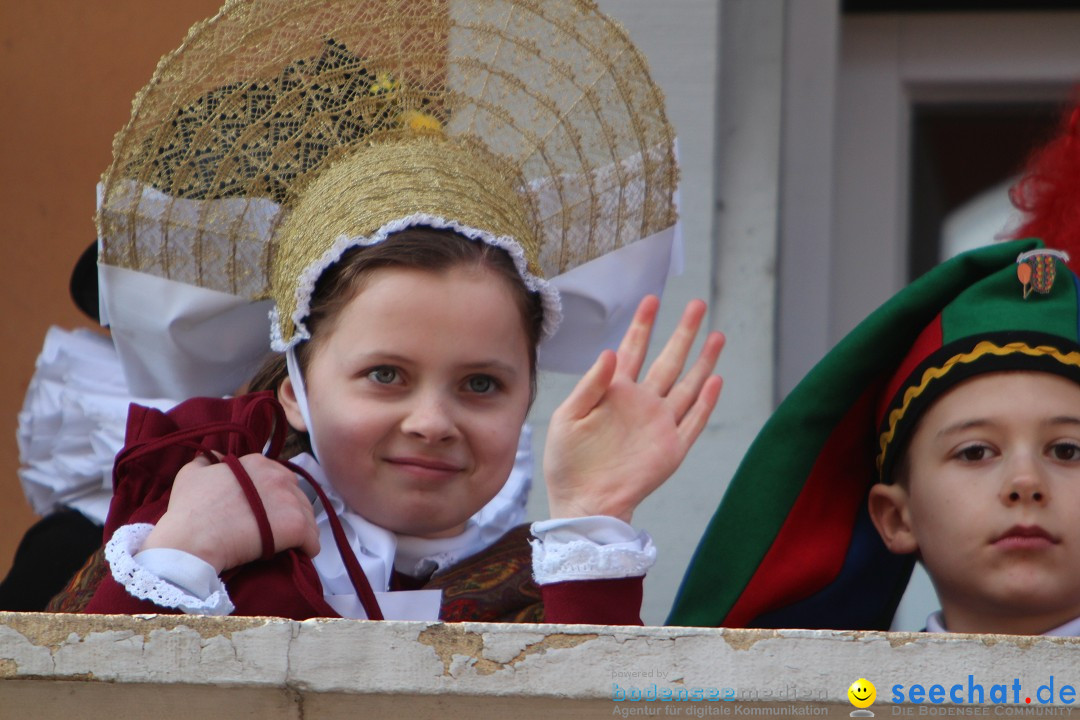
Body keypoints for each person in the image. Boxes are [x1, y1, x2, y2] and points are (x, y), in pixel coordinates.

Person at [62, 0, 723, 624]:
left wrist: (594, 512)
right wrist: (181, 556)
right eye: (385, 374)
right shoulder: (174, 539)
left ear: (526, 401)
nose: (433, 422)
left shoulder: (553, 581)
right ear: (296, 391)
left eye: (482, 384)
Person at [668, 237, 1080, 634]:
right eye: (974, 452)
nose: (1026, 482)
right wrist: (608, 514)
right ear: (897, 518)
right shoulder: (825, 702)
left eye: (1067, 450)